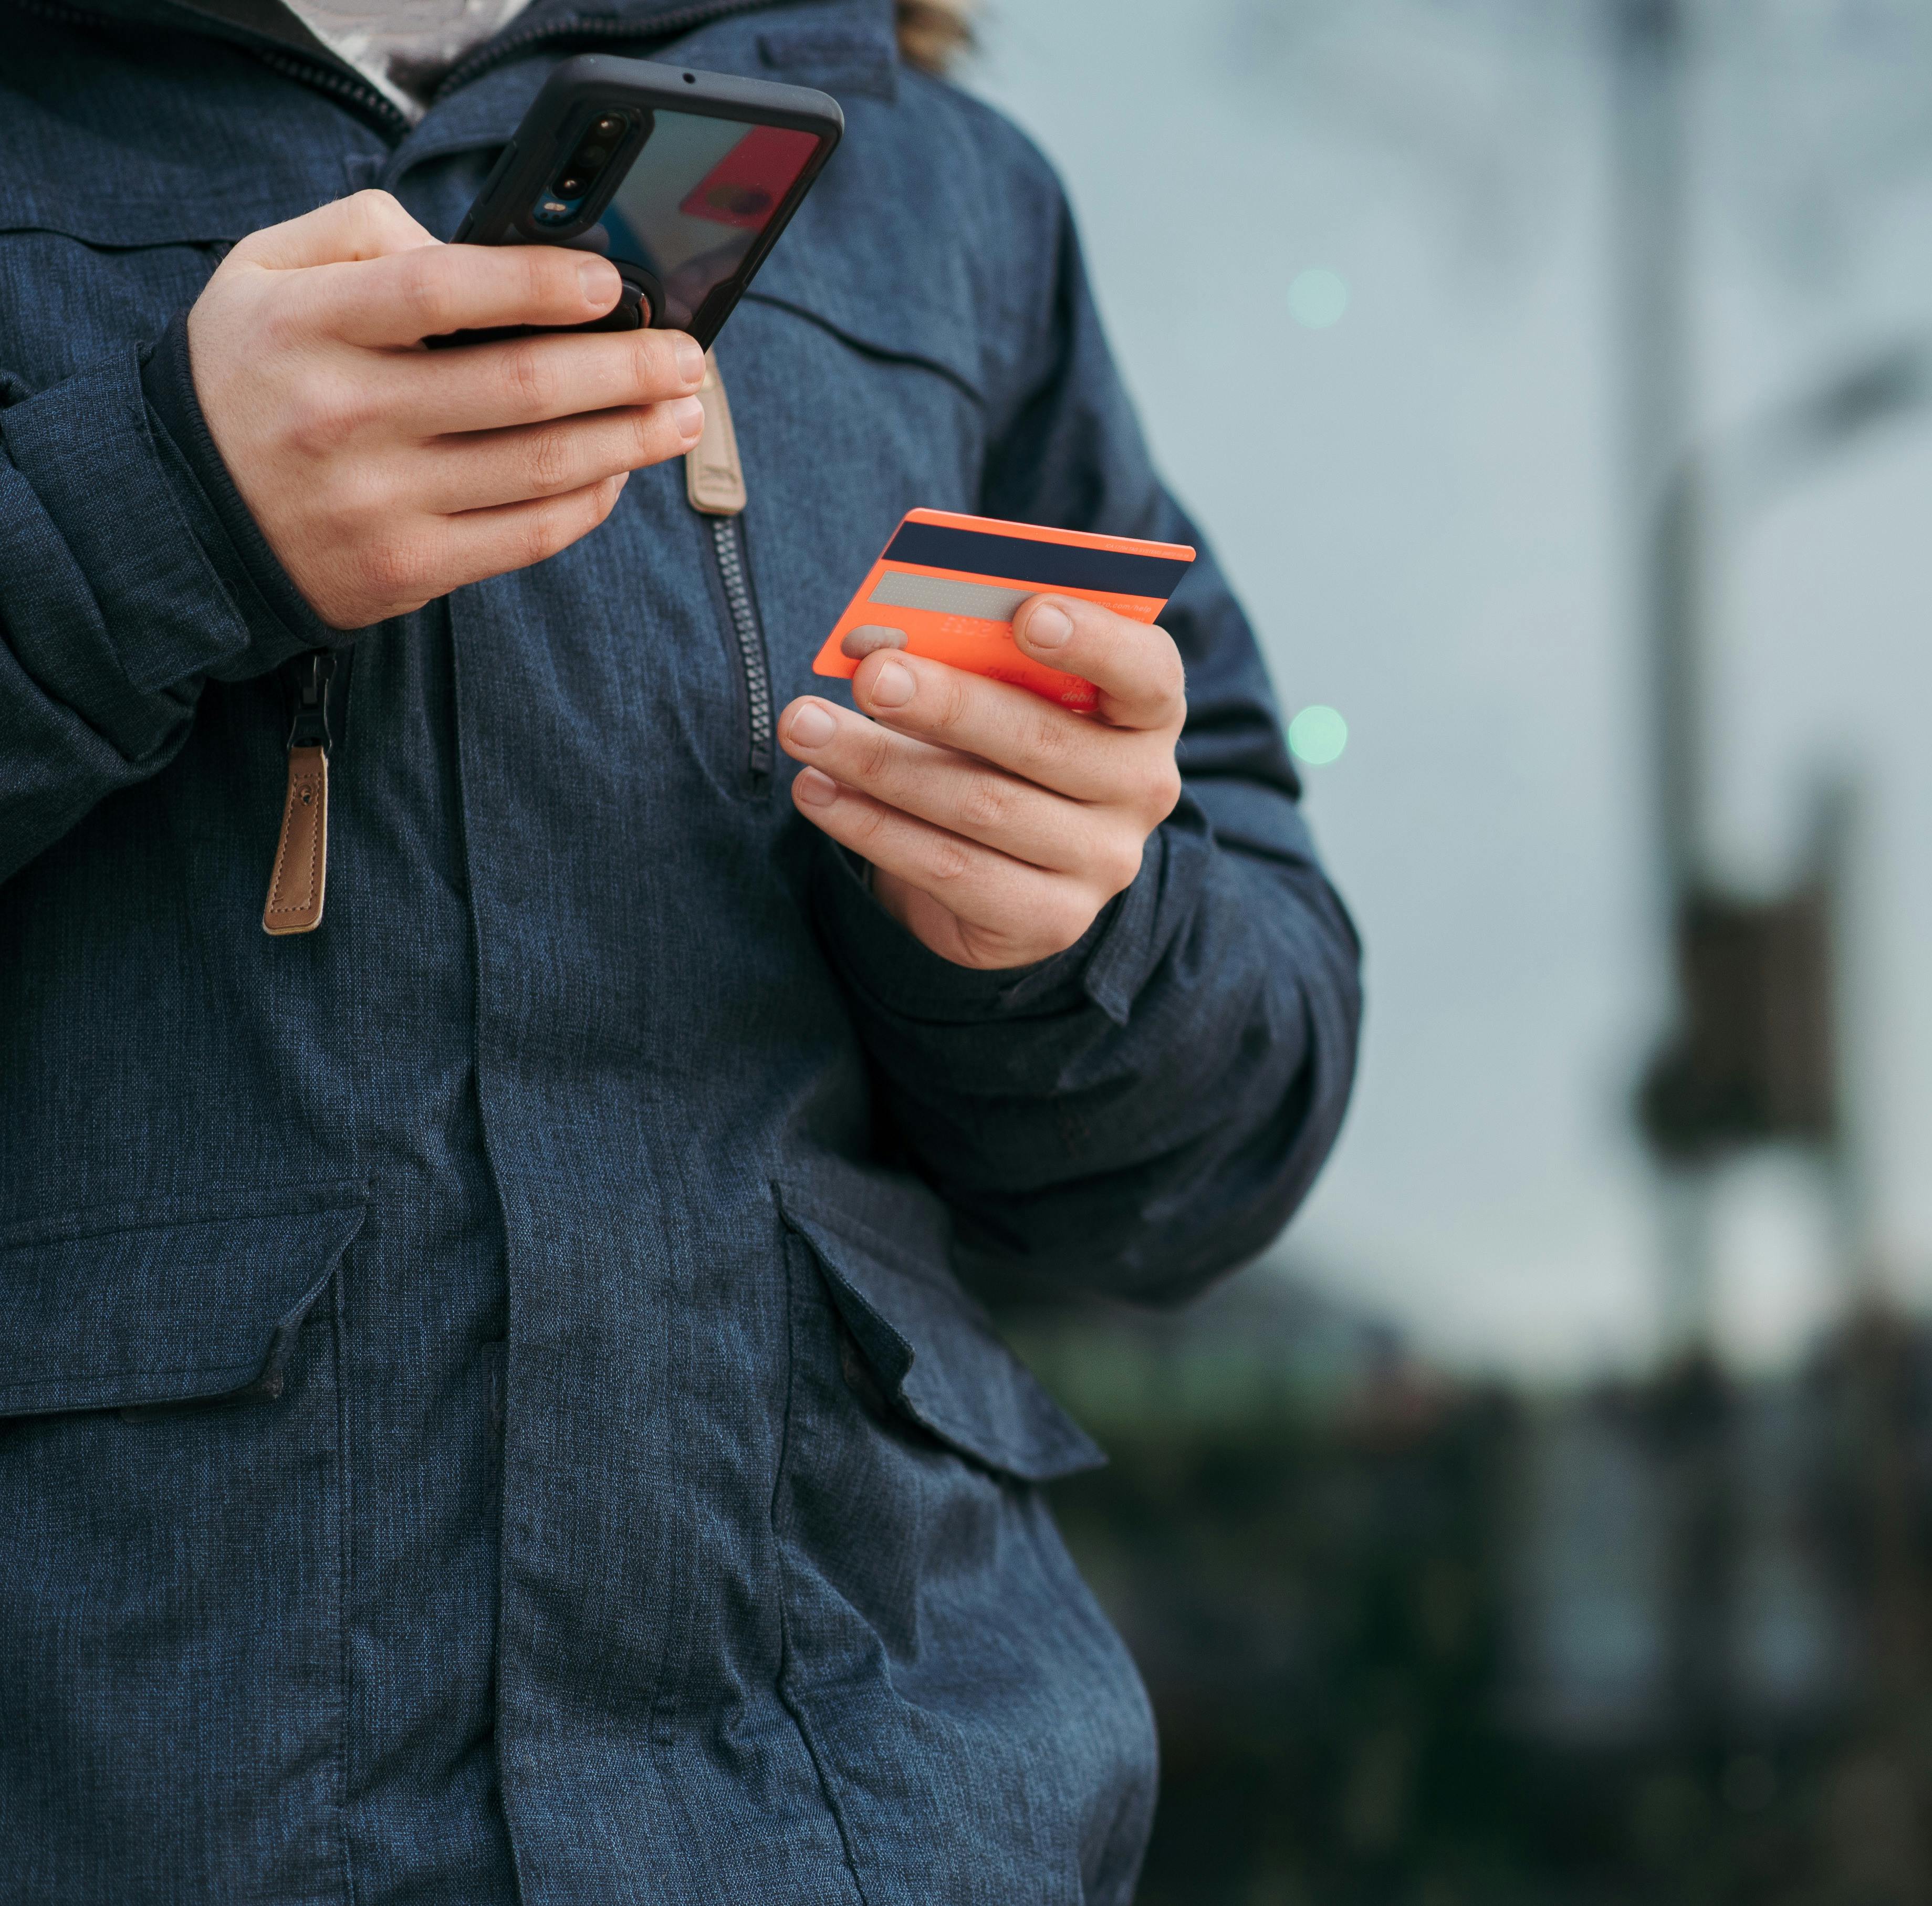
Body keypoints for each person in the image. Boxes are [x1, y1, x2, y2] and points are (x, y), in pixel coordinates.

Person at [0, 2, 1362, 1900]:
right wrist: (144, 518)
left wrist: (1054, 929)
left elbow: (1219, 1154)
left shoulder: (942, 197)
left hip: (889, 1831)